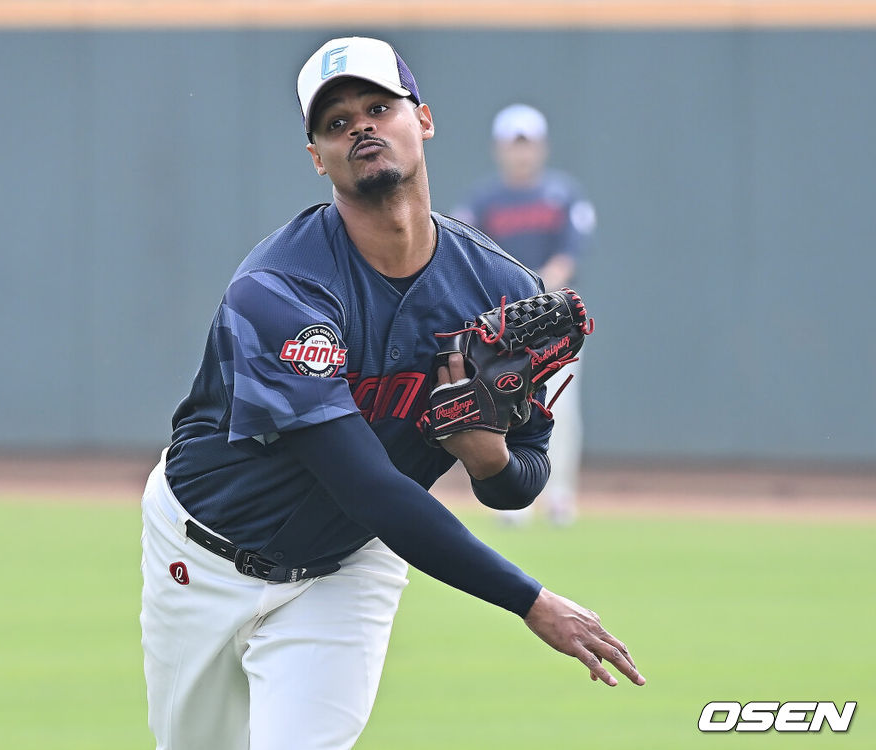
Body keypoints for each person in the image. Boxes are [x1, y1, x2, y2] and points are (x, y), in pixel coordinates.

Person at [139, 37, 643, 750]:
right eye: (337, 123)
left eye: (379, 107)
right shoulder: (282, 290)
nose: (362, 128)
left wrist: (490, 459)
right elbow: (369, 485)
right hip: (202, 553)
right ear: (318, 158)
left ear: (424, 120)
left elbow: (523, 479)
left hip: (348, 569)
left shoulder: (500, 290)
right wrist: (530, 601)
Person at [455, 104, 597, 526]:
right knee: (502, 408)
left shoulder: (562, 194)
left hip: (555, 324)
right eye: (513, 144)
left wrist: (533, 290)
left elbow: (566, 258)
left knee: (560, 409)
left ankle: (560, 496)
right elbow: (468, 256)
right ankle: (515, 496)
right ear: (500, 149)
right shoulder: (483, 200)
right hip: (502, 328)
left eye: (528, 144)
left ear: (541, 148)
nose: (521, 153)